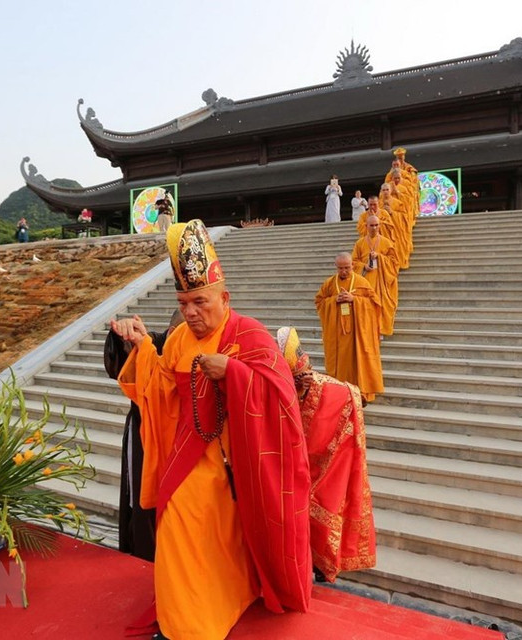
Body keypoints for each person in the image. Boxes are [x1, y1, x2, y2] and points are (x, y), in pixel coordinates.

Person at [112, 219, 311, 639]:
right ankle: (187, 626)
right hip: (188, 455)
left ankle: (215, 607)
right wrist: (144, 346)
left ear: (225, 297)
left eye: (200, 301)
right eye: (183, 303)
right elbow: (163, 392)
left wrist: (235, 373)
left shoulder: (249, 334)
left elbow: (283, 399)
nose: (190, 313)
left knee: (200, 524)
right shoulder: (179, 339)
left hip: (239, 459)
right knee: (178, 519)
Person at [276, 327, 376, 583]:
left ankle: (319, 563)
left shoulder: (324, 388)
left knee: (325, 504)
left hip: (324, 465)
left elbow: (354, 397)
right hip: (290, 466)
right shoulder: (280, 386)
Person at [104, 310, 184, 563]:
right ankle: (145, 560)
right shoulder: (150, 344)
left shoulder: (197, 352)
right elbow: (120, 364)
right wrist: (124, 337)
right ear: (174, 332)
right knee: (144, 507)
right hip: (145, 439)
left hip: (180, 442)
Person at [315, 252, 384, 403]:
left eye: (347, 267)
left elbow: (375, 304)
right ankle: (339, 393)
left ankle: (360, 392)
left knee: (358, 361)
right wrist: (334, 301)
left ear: (353, 265)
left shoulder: (361, 282)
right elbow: (319, 302)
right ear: (336, 267)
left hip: (357, 334)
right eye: (340, 268)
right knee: (339, 364)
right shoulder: (329, 284)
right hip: (337, 334)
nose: (344, 271)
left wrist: (355, 300)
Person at [351, 214, 400, 337]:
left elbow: (395, 262)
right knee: (365, 305)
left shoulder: (386, 242)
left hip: (381, 280)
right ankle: (366, 330)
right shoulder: (360, 243)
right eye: (371, 225)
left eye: (376, 225)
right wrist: (363, 266)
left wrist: (380, 257)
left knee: (380, 304)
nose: (374, 228)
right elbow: (353, 262)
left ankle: (379, 329)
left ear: (380, 226)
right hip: (365, 279)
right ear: (366, 226)